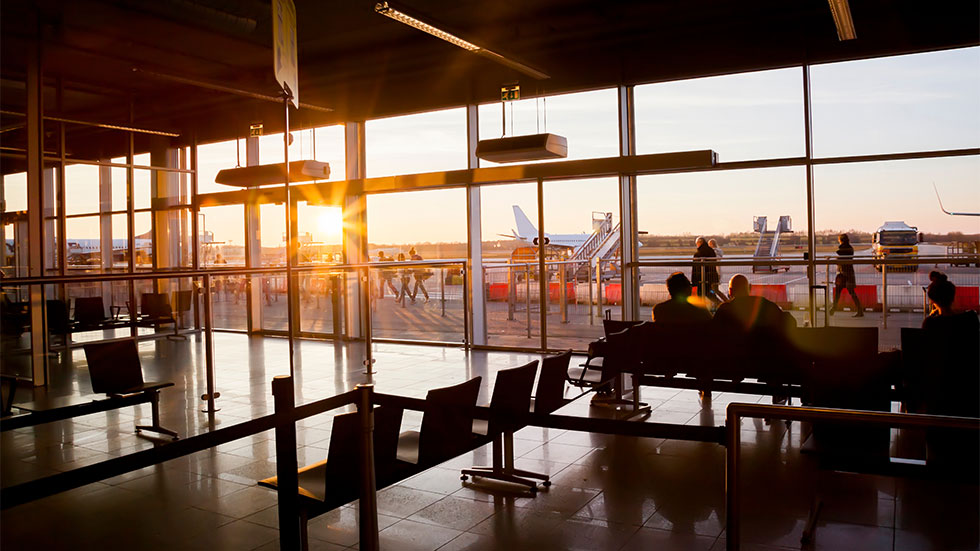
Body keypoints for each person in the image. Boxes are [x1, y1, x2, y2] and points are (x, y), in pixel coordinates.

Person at [831, 233, 863, 317]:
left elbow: (839, 254)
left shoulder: (842, 249)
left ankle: (833, 308)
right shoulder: (850, 248)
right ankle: (859, 310)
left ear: (841, 240)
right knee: (852, 292)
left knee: (838, 292)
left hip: (842, 273)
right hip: (849, 272)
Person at [691, 237, 722, 307]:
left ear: (699, 243)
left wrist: (694, 281)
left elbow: (695, 269)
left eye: (697, 244)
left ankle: (702, 309)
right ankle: (720, 305)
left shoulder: (698, 254)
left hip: (701, 278)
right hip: (712, 276)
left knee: (701, 293)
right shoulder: (711, 251)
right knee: (711, 292)